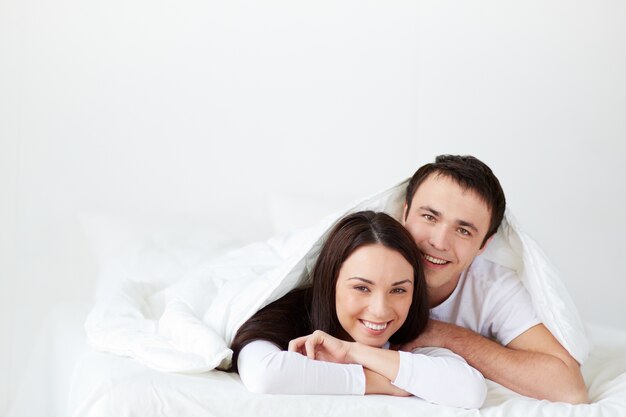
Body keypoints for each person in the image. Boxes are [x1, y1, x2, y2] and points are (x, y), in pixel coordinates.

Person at [229, 211, 487, 409]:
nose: (380, 310)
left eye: (398, 290)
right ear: (331, 283)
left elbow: (470, 390)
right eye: (362, 288)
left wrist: (353, 352)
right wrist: (381, 382)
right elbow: (265, 375)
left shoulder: (409, 338)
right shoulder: (286, 318)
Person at [399, 154, 588, 403]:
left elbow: (569, 388)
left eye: (463, 230)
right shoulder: (363, 259)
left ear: (483, 245)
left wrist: (442, 334)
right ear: (404, 214)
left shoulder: (492, 286)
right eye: (429, 217)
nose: (439, 242)